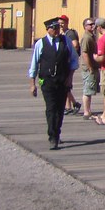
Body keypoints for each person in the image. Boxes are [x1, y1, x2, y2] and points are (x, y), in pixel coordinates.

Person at [28, 17, 79, 150]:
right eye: (53, 28)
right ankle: (52, 136)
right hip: (47, 81)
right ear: (47, 29)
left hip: (63, 81)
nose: (56, 30)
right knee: (51, 108)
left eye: (57, 28)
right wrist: (32, 83)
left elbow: (74, 60)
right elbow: (34, 64)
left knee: (60, 109)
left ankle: (57, 132)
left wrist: (70, 77)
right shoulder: (41, 43)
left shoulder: (66, 41)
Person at [59, 15, 82, 115]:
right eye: (59, 23)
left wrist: (67, 53)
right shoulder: (63, 33)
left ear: (67, 23)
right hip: (64, 62)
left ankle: (75, 103)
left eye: (62, 23)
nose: (61, 25)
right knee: (65, 85)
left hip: (69, 63)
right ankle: (68, 106)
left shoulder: (70, 33)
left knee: (65, 84)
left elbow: (75, 45)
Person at [79, 17, 100, 119]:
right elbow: (84, 53)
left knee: (90, 90)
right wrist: (90, 67)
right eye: (90, 24)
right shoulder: (87, 38)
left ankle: (89, 110)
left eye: (93, 24)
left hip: (93, 66)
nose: (93, 26)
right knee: (87, 90)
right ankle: (86, 112)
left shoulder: (92, 36)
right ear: (85, 26)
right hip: (88, 68)